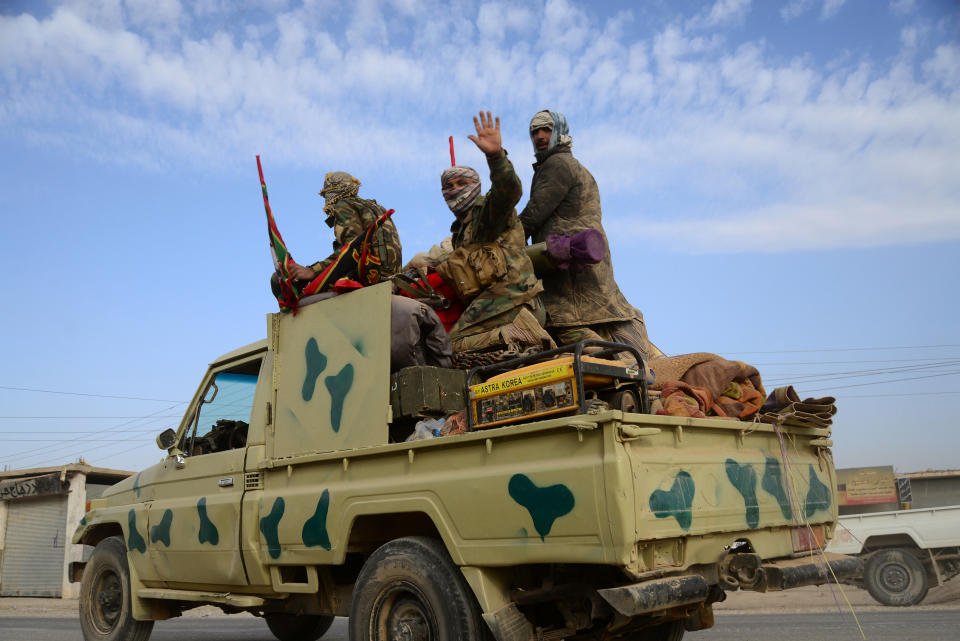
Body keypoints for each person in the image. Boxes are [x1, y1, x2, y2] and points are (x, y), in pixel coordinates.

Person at [519, 109, 661, 360]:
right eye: (534, 131)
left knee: (558, 324)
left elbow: (534, 213)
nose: (540, 136)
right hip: (584, 263)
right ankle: (633, 358)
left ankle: (622, 361)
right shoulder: (573, 166)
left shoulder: (557, 164)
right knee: (601, 321)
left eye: (546, 129)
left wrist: (502, 242)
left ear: (560, 132)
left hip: (567, 266)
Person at [436, 111, 552, 356]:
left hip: (512, 300)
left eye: (461, 184)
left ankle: (518, 333)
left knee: (449, 348)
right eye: (448, 186)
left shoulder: (488, 212)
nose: (454, 191)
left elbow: (509, 190)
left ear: (475, 186)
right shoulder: (460, 232)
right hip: (493, 303)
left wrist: (495, 157)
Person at [287, 172, 403, 285]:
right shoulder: (376, 207)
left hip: (373, 275)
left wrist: (313, 271)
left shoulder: (343, 205)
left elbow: (351, 249)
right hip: (394, 275)